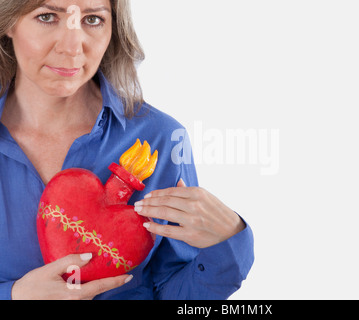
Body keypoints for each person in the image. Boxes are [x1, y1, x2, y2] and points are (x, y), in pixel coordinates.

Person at [0, 0, 254, 300]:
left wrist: (230, 244)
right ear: (9, 23)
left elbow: (173, 292)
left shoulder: (160, 139)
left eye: (93, 19)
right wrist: (13, 295)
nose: (72, 47)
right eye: (46, 16)